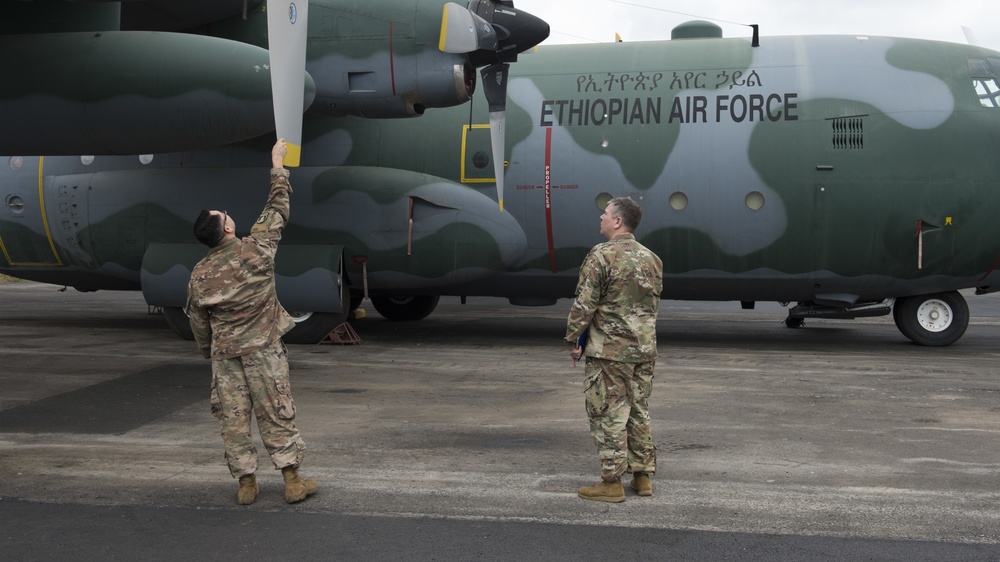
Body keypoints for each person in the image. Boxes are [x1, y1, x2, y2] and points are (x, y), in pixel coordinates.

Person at [185, 138, 317, 506]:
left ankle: (246, 484)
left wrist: (208, 350)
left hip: (226, 357)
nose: (227, 215)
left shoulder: (200, 273)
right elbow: (277, 206)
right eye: (224, 215)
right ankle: (292, 480)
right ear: (226, 229)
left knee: (233, 419)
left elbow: (197, 319)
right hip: (262, 350)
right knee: (276, 411)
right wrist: (277, 162)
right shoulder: (256, 250)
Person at [565, 196, 663, 503]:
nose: (601, 218)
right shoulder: (652, 258)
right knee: (638, 410)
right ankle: (642, 476)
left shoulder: (601, 256)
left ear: (618, 221)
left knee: (608, 412)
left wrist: (573, 338)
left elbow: (585, 303)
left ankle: (611, 482)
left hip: (609, 351)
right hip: (644, 349)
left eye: (605, 214)